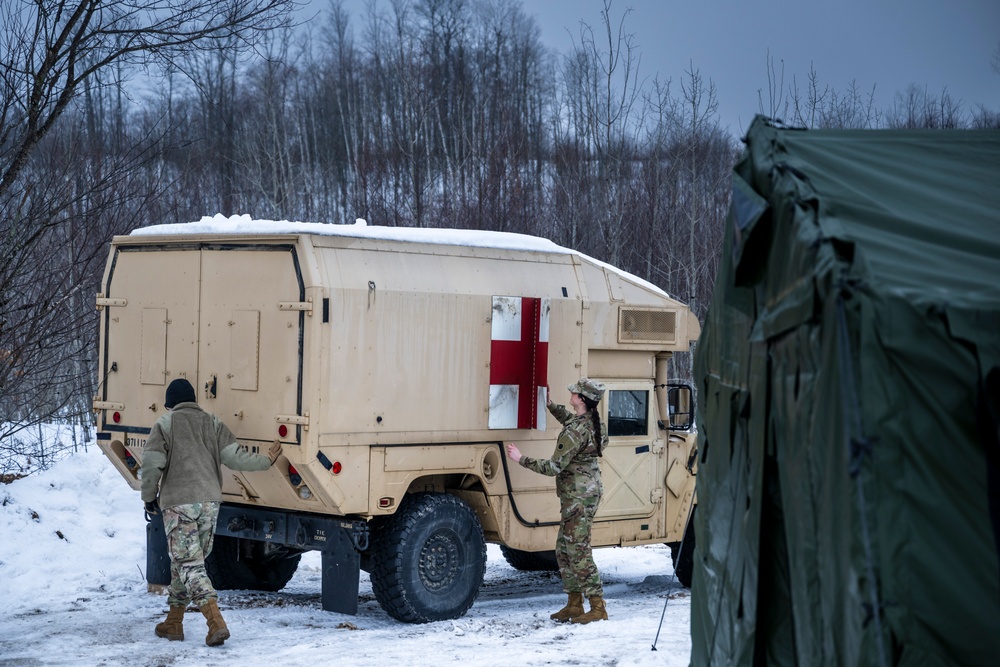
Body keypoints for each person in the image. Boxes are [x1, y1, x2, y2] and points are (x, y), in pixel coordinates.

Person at [140, 378, 282, 646]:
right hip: (209, 504)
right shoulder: (213, 423)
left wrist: (149, 498)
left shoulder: (165, 424)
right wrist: (267, 460)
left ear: (171, 403)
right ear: (194, 400)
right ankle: (173, 623)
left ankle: (215, 622)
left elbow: (151, 465)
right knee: (186, 562)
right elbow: (235, 458)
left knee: (189, 564)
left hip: (179, 503)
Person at [505, 378, 609, 624]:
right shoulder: (589, 421)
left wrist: (521, 459)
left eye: (574, 393)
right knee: (564, 550)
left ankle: (597, 607)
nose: (570, 394)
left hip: (578, 498)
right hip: (583, 494)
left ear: (582, 400)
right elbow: (570, 421)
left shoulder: (576, 431)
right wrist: (551, 405)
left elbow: (553, 466)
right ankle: (574, 604)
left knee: (578, 551)